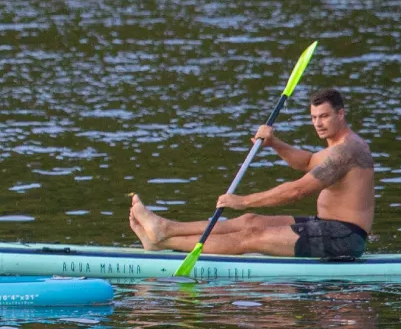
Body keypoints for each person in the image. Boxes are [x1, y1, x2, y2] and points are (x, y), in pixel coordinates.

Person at [128, 88, 374, 260]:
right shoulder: (335, 148)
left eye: (324, 116)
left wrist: (241, 200)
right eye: (313, 117)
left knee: (252, 235)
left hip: (345, 238)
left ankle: (164, 243)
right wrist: (275, 143)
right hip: (325, 225)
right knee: (249, 220)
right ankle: (164, 229)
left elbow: (298, 190)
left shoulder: (347, 150)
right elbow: (308, 161)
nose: (318, 123)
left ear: (340, 114)